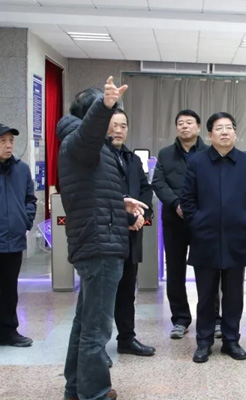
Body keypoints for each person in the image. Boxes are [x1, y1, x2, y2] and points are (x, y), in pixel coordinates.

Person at [58, 77, 148, 400]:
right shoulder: (80, 140)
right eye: (110, 115)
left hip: (99, 239)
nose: (114, 123)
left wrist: (121, 203)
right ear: (94, 114)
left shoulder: (89, 147)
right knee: (97, 328)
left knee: (85, 323)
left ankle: (75, 387)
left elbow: (92, 191)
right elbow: (89, 135)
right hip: (99, 245)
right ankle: (94, 393)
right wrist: (104, 104)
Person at [181, 112, 246, 363]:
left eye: (229, 127)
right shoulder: (197, 162)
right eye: (219, 128)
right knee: (206, 295)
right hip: (204, 238)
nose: (225, 132)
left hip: (236, 238)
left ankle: (231, 340)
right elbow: (187, 198)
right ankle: (204, 341)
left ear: (235, 133)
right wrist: (197, 223)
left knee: (234, 295)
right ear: (209, 134)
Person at [152, 110, 221, 340]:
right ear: (176, 128)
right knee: (175, 271)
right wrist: (176, 204)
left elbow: (215, 184)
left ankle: (213, 318)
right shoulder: (165, 154)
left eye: (189, 122)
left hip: (203, 221)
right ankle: (180, 319)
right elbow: (158, 183)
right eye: (180, 123)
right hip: (174, 221)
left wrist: (194, 207)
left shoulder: (210, 152)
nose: (184, 126)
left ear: (198, 127)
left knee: (209, 270)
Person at [107, 109, 156, 357]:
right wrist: (126, 217)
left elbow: (146, 189)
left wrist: (141, 216)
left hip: (131, 235)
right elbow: (101, 196)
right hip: (106, 234)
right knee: (103, 293)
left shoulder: (132, 159)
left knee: (127, 291)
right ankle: (95, 345)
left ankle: (126, 338)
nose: (118, 130)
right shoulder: (98, 157)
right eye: (114, 125)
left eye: (123, 125)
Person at [0, 124, 36, 348]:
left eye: (11, 141)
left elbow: (30, 199)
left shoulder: (22, 169)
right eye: (3, 141)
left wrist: (25, 221)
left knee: (9, 289)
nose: (8, 145)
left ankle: (8, 332)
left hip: (14, 240)